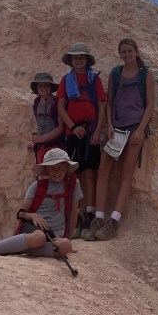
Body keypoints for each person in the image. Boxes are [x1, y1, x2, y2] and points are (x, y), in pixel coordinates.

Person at [83, 37, 154, 241]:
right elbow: (110, 102)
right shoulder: (115, 73)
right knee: (103, 170)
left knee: (126, 173)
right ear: (120, 54)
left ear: (136, 51)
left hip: (135, 129)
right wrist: (110, 126)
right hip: (117, 130)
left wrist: (141, 130)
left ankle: (114, 221)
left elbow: (150, 104)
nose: (127, 55)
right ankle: (98, 218)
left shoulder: (145, 73)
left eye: (130, 51)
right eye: (123, 52)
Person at [0, 148, 81, 259]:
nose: (57, 171)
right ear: (47, 169)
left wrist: (69, 238)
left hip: (53, 235)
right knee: (39, 237)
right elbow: (20, 213)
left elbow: (73, 214)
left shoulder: (73, 185)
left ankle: (18, 247)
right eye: (53, 168)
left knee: (65, 245)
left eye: (60, 167)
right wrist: (32, 215)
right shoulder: (38, 186)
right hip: (33, 229)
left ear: (67, 167)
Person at [56, 42, 106, 237]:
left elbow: (101, 106)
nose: (78, 60)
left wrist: (97, 131)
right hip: (73, 133)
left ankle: (90, 214)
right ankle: (77, 216)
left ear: (86, 60)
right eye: (75, 57)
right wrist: (72, 126)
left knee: (90, 173)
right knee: (75, 174)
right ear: (71, 60)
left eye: (81, 57)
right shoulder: (65, 80)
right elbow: (61, 107)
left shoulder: (95, 80)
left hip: (91, 131)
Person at [28, 72, 65, 164]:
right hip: (41, 147)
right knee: (42, 170)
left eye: (46, 85)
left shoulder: (57, 102)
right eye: (40, 85)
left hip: (56, 145)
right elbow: (39, 124)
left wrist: (40, 139)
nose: (43, 87)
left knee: (55, 169)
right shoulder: (36, 102)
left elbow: (61, 128)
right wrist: (35, 142)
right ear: (36, 87)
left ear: (51, 87)